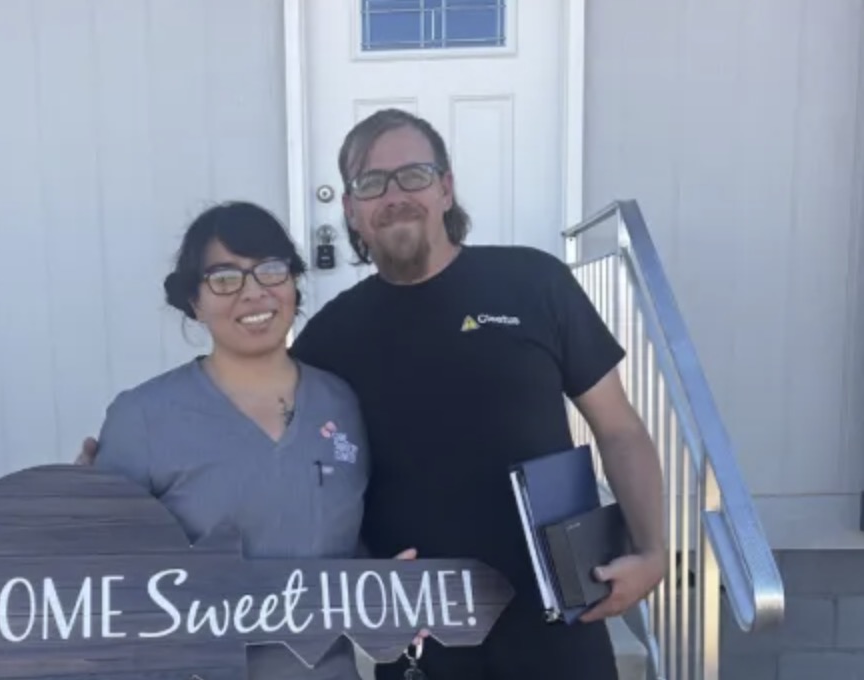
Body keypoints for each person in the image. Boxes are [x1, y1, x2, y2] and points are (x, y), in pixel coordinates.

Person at [80, 109, 666, 679]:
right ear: (353, 211)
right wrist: (97, 494)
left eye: (413, 174)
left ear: (446, 188)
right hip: (422, 638)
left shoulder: (535, 284)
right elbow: (269, 459)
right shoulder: (332, 339)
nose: (394, 195)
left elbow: (620, 430)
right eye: (370, 183)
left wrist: (654, 550)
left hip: (559, 621)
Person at [87, 200, 397, 680]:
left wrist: (403, 592)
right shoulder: (143, 417)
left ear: (293, 282)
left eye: (271, 271)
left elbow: (351, 548)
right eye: (225, 278)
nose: (254, 293)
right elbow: (102, 574)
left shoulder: (341, 403)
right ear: (195, 301)